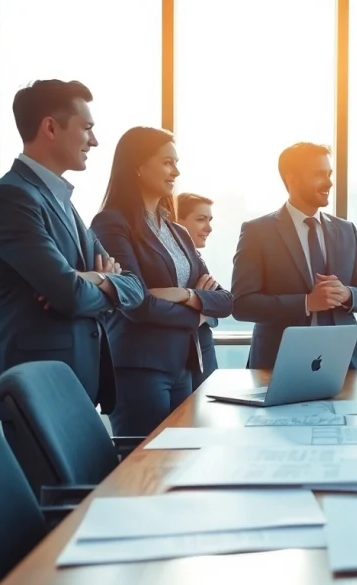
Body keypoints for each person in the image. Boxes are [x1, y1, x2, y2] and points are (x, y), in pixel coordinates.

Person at [0, 80, 144, 418]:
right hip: (36, 392)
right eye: (87, 128)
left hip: (76, 386)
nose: (95, 141)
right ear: (50, 127)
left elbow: (135, 286)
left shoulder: (62, 202)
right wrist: (96, 279)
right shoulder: (10, 198)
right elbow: (69, 293)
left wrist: (90, 278)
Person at [91, 127, 233, 436]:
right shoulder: (112, 224)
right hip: (139, 369)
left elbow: (225, 300)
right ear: (138, 166)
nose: (176, 171)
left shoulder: (178, 232)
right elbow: (137, 303)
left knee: (181, 460)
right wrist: (198, 312)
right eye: (167, 162)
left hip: (182, 367)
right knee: (143, 471)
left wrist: (183, 294)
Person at [231, 142, 357, 369]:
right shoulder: (257, 231)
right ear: (292, 180)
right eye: (320, 174)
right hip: (278, 360)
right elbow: (242, 305)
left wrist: (347, 294)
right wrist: (307, 302)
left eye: (329, 174)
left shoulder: (347, 230)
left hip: (343, 362)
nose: (329, 182)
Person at [175, 193, 219, 388]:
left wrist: (199, 300)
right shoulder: (171, 266)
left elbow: (221, 304)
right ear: (176, 222)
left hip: (204, 358)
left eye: (209, 220)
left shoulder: (197, 259)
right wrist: (201, 302)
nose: (209, 228)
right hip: (178, 362)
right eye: (201, 219)